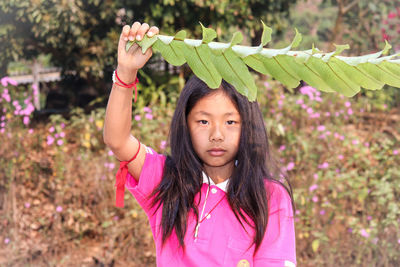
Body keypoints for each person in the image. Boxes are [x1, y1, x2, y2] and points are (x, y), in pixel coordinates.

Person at [103, 21, 296, 267]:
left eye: (231, 122)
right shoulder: (167, 182)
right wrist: (126, 71)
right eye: (203, 121)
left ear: (248, 125)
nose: (217, 134)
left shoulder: (269, 198)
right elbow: (117, 140)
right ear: (185, 125)